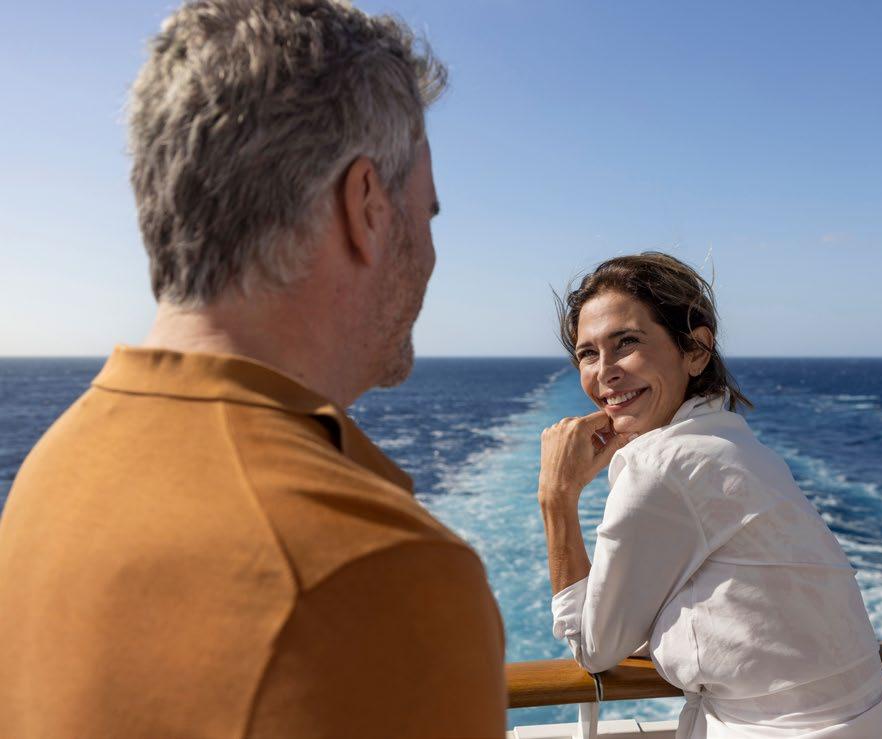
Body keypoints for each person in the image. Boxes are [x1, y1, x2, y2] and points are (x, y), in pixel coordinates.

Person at [0, 1, 506, 737]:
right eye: (426, 214)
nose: (430, 252)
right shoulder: (381, 572)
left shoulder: (51, 475)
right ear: (366, 207)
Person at [538, 253, 882, 738]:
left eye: (626, 342)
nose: (605, 372)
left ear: (695, 350)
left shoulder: (659, 466)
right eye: (588, 353)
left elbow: (593, 647)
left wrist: (556, 497)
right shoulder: (737, 445)